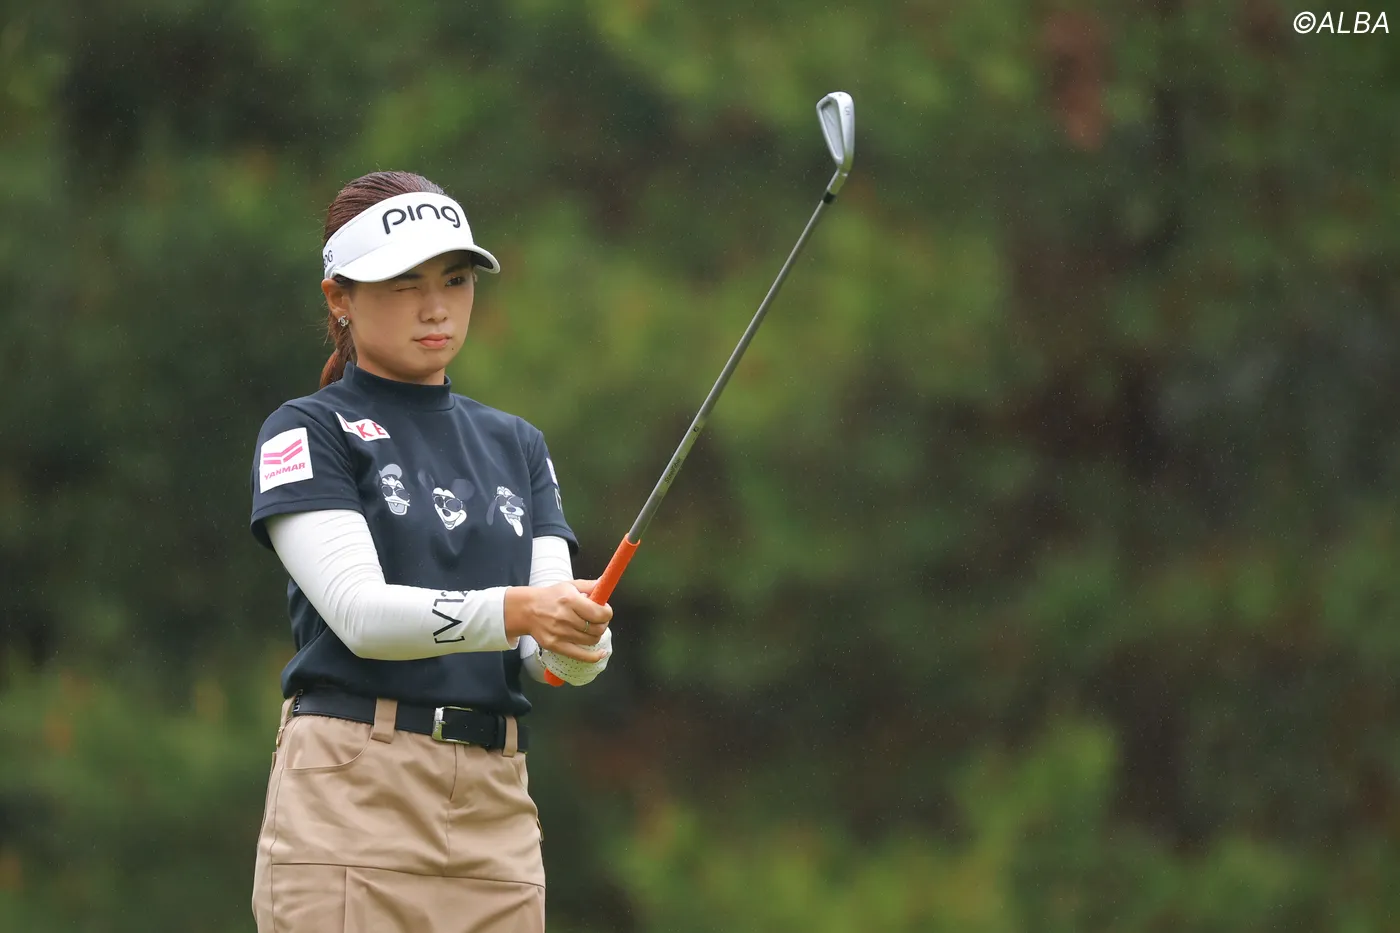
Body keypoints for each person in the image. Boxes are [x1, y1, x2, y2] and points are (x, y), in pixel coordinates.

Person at [248, 170, 615, 933]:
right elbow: (361, 616)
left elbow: (541, 656)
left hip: (495, 811)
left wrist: (581, 639)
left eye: (454, 279)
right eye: (403, 283)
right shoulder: (306, 430)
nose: (436, 306)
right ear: (339, 298)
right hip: (353, 794)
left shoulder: (518, 444)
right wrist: (523, 610)